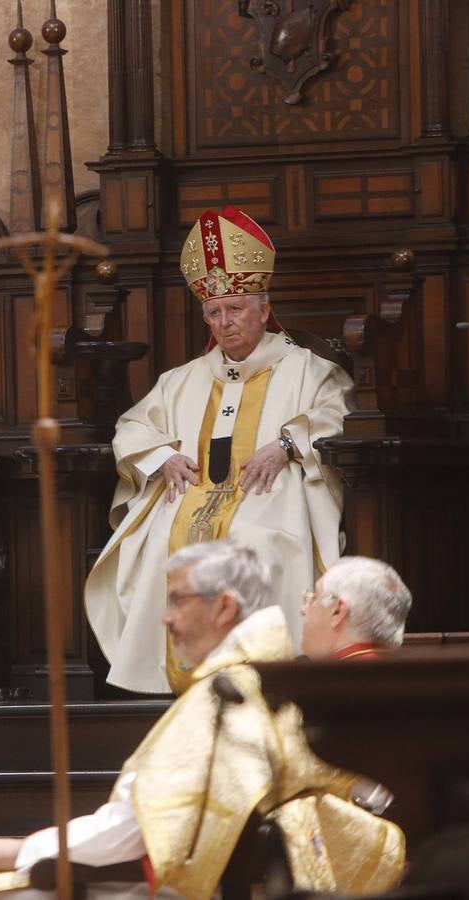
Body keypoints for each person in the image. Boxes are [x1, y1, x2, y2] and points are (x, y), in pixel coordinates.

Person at [0, 541, 405, 900]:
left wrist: (29, 850)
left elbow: (140, 829)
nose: (165, 618)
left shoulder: (228, 695)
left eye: (178, 600)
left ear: (224, 607)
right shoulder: (267, 679)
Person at [84, 206, 355, 694]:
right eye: (214, 311)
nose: (225, 322)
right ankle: (174, 681)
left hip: (270, 495)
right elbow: (131, 429)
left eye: (236, 309)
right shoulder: (181, 380)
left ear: (264, 310)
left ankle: (263, 680)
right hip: (189, 497)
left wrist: (288, 444)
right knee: (162, 545)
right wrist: (162, 457)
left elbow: (340, 415)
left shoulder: (309, 370)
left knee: (257, 541)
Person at [300, 555, 413, 661]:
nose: (303, 610)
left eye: (314, 598)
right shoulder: (407, 676)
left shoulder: (331, 679)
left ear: (337, 611)